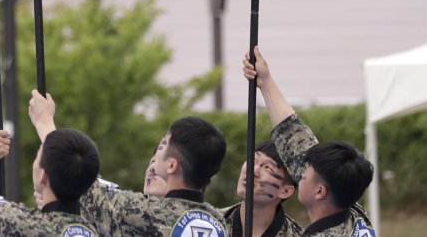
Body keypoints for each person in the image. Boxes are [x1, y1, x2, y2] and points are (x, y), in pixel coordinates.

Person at [29, 91, 228, 237]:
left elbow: (86, 184)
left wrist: (44, 123)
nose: (156, 154)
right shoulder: (219, 221)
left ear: (172, 166)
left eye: (163, 145)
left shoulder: (148, 212)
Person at [244, 47, 376, 236]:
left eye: (304, 176)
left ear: (320, 192)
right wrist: (265, 82)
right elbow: (294, 137)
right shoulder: (354, 214)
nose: (299, 172)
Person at [222, 140, 302, 237]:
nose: (253, 170)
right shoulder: (211, 223)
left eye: (268, 168)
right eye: (253, 160)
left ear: (285, 191)